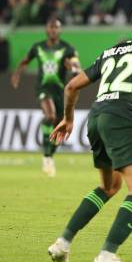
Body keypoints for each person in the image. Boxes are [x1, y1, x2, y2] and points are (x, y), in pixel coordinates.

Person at [47, 4, 132, 262]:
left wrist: (68, 118)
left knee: (109, 187)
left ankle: (62, 243)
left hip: (95, 118)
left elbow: (71, 86)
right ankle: (106, 256)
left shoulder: (110, 51)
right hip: (121, 118)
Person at [11, 17, 81, 176]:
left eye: (56, 28)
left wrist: (75, 69)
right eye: (51, 27)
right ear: (46, 30)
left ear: (60, 30)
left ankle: (49, 155)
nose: (53, 30)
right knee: (50, 116)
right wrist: (17, 74)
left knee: (59, 125)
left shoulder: (67, 48)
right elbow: (25, 61)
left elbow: (75, 63)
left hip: (60, 91)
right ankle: (46, 155)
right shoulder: (38, 47)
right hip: (43, 89)